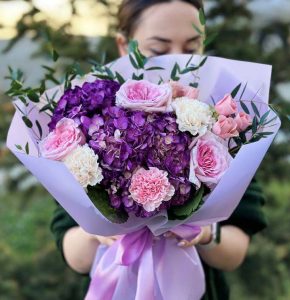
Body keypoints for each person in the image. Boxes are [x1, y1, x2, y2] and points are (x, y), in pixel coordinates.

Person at [51, 1, 267, 299]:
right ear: (124, 46)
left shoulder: (224, 131)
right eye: (159, 50)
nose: (179, 61)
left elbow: (234, 252)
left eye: (191, 47)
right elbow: (73, 254)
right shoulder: (93, 129)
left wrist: (202, 233)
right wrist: (100, 231)